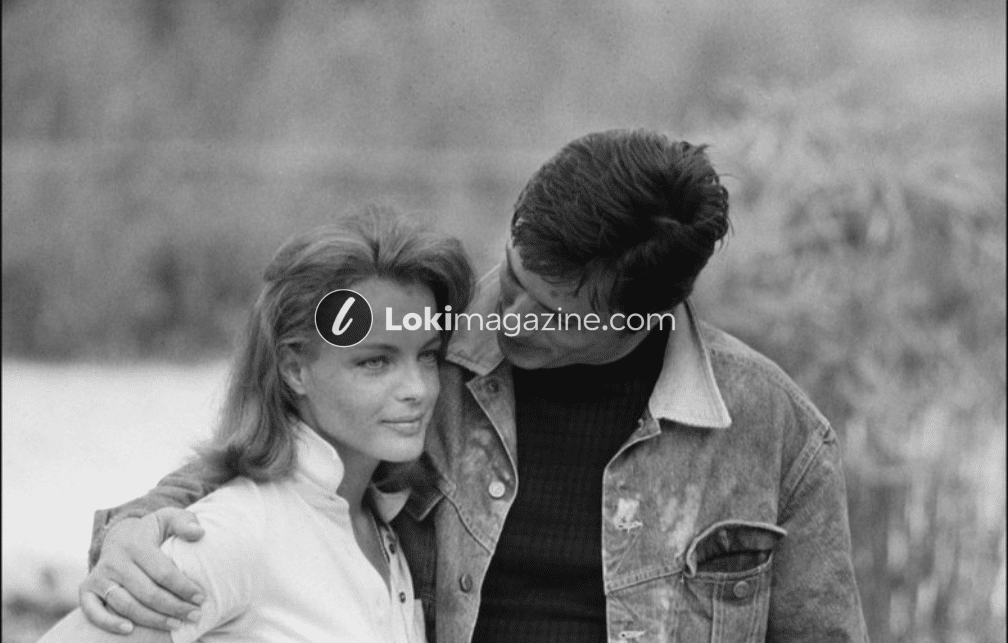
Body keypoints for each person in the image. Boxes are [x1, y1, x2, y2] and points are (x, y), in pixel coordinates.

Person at [80, 129, 868, 641]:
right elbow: (271, 460)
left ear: (640, 317)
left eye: (551, 313)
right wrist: (137, 525)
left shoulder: (772, 429)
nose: (509, 317)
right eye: (515, 276)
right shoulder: (428, 352)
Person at [40, 205, 474, 642]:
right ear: (294, 369)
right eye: (375, 361)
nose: (417, 388)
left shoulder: (385, 529)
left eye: (427, 356)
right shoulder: (236, 530)